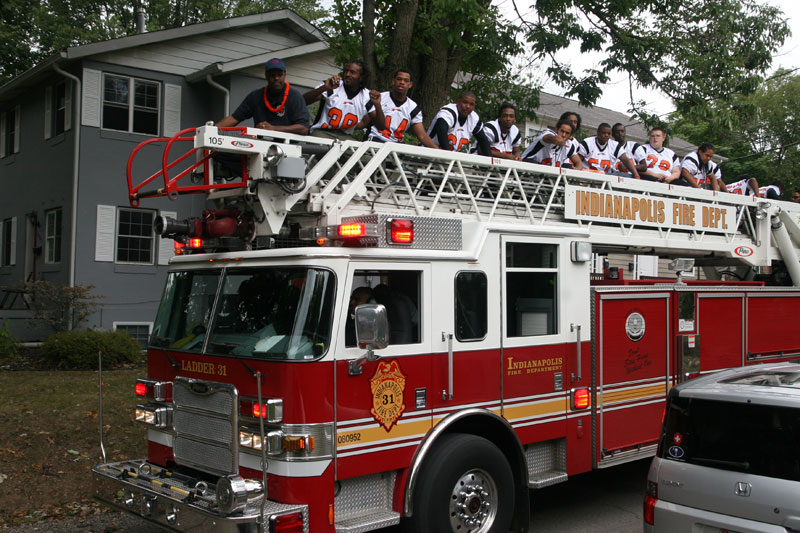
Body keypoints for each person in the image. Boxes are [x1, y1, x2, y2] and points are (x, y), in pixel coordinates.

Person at [216, 58, 310, 135]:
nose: (276, 78)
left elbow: (304, 128)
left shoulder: (294, 96)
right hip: (260, 147)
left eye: (279, 75)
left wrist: (273, 129)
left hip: (287, 148)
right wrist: (209, 130)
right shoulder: (256, 96)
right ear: (266, 76)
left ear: (284, 75)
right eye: (272, 75)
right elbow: (234, 118)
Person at [304, 60, 386, 139]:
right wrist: (323, 88)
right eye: (346, 71)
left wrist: (377, 105)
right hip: (322, 132)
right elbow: (303, 101)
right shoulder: (333, 86)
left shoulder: (366, 96)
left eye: (352, 72)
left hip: (344, 136)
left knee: (358, 152)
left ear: (361, 77)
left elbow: (381, 127)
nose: (347, 74)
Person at [364, 69, 437, 148]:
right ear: (393, 81)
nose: (402, 82)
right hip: (375, 140)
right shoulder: (380, 98)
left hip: (396, 146)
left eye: (406, 81)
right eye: (399, 79)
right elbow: (365, 122)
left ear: (410, 84)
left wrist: (440, 152)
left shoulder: (413, 107)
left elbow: (422, 136)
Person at [427, 91, 491, 155]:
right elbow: (442, 132)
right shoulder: (448, 112)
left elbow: (483, 140)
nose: (468, 106)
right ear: (457, 101)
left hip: (448, 158)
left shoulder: (474, 119)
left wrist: (490, 162)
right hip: (429, 152)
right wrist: (448, 155)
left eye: (471, 104)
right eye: (465, 102)